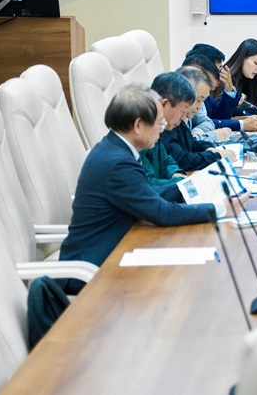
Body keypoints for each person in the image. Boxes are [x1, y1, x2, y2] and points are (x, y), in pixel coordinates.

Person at [57, 84, 227, 293]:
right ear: (138, 125)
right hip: (91, 268)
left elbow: (149, 195)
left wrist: (195, 187)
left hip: (117, 249)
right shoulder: (118, 162)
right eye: (158, 122)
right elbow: (162, 213)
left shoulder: (116, 149)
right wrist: (220, 208)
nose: (162, 129)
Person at [161, 66, 238, 173]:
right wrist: (215, 156)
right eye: (198, 100)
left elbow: (191, 143)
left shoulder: (177, 118)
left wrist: (209, 149)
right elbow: (181, 160)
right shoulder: (166, 123)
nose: (200, 106)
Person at [226, 38, 257, 114]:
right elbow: (225, 111)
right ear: (242, 59)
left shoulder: (247, 78)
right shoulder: (226, 78)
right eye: (256, 63)